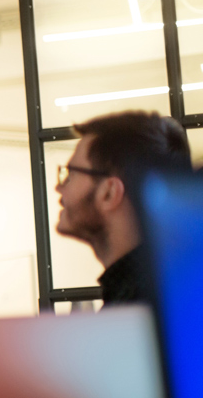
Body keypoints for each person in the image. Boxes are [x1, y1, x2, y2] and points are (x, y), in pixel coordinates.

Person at [55, 110, 191, 306]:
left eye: (70, 174)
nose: (59, 187)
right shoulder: (171, 285)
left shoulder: (143, 309)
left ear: (109, 193)